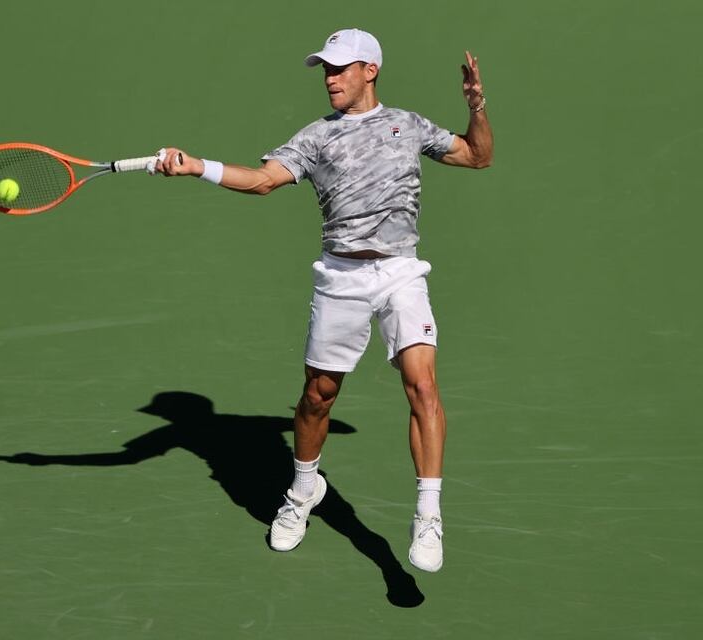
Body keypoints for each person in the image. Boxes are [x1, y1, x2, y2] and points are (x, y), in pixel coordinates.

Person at [153, 27, 493, 573]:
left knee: (423, 385)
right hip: (341, 277)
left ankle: (428, 513)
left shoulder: (409, 126)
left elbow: (479, 156)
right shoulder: (316, 137)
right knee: (317, 397)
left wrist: (477, 108)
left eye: (340, 68)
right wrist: (199, 167)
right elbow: (264, 180)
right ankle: (303, 488)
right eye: (326, 69)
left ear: (370, 71)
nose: (330, 78)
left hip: (402, 271)